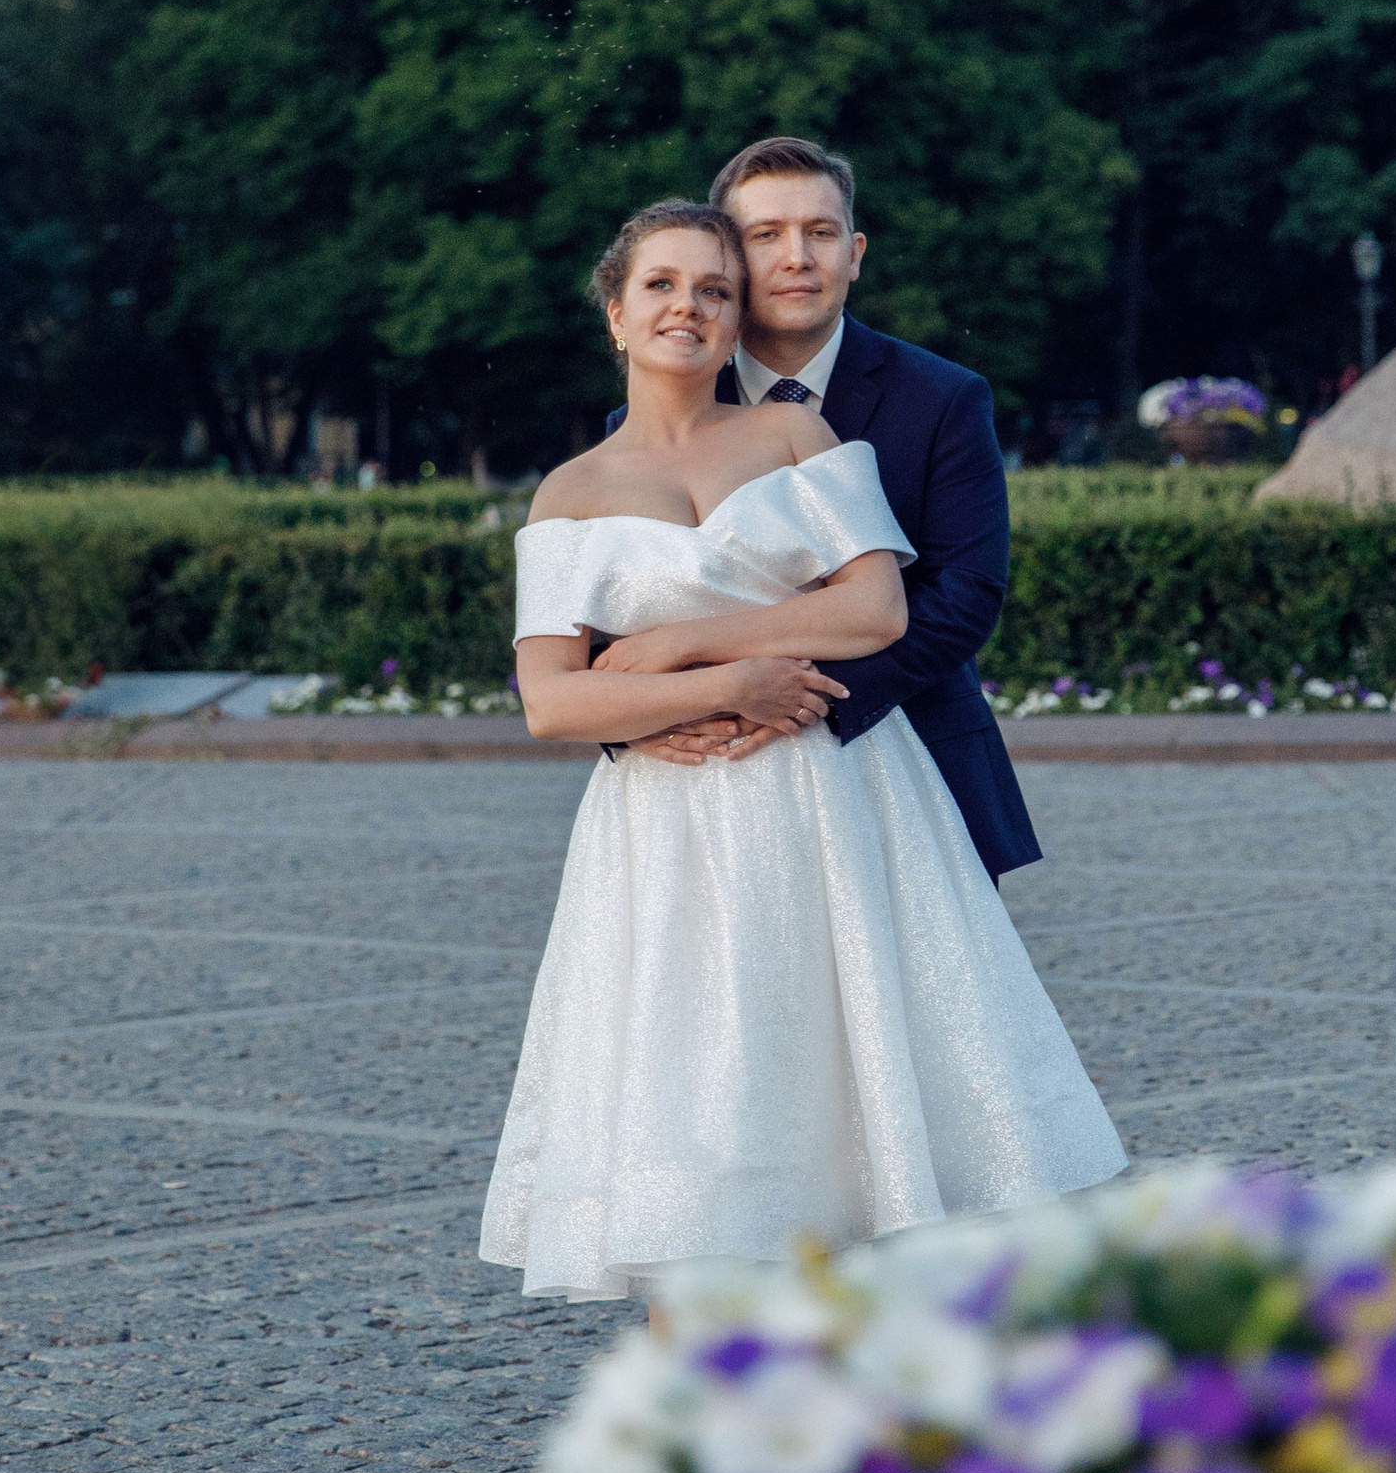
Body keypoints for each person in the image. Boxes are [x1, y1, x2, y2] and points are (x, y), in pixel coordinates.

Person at [479, 197, 1124, 1299]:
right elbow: (549, 701)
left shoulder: (794, 436)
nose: (689, 306)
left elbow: (874, 612)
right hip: (667, 830)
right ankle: (699, 1429)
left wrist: (679, 647)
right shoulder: (571, 494)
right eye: (664, 286)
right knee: (690, 1107)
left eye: (715, 291)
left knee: (854, 1087)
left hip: (836, 803)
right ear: (616, 313)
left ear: (737, 322)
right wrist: (733, 684)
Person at [616, 134, 1044, 883]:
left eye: (820, 232)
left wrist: (805, 702)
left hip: (909, 756)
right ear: (728, 261)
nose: (798, 257)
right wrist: (638, 720)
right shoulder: (651, 415)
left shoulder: (943, 398)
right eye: (765, 235)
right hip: (706, 782)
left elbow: (966, 595)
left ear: (856, 252)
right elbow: (609, 606)